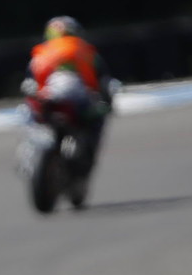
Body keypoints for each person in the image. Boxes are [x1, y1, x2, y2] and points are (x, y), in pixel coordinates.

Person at [23, 16, 120, 182]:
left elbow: (28, 83)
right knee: (98, 118)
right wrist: (108, 104)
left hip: (49, 101)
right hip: (75, 102)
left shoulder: (39, 53)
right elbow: (104, 81)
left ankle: (27, 155)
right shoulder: (87, 51)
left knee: (28, 115)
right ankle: (88, 156)